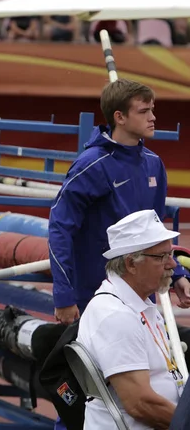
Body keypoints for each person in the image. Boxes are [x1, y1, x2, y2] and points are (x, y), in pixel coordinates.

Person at [49, 78, 190, 326]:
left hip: (142, 295)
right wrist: (63, 295)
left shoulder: (153, 163)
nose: (153, 117)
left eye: (152, 110)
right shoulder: (91, 165)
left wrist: (176, 273)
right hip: (95, 297)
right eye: (144, 111)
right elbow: (60, 229)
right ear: (120, 117)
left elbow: (157, 236)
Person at [78, 209, 183, 429]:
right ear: (131, 264)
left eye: (170, 254)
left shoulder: (135, 302)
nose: (172, 265)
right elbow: (141, 404)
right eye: (161, 257)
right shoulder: (116, 315)